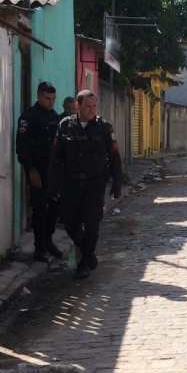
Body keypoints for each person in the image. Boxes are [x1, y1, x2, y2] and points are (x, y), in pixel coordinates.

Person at [49, 90, 123, 280]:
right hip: (71, 183)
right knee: (70, 223)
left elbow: (114, 156)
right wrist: (53, 184)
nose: (92, 110)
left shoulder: (104, 127)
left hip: (95, 182)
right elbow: (56, 157)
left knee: (92, 223)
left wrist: (116, 184)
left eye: (94, 106)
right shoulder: (66, 126)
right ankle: (88, 253)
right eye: (88, 106)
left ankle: (83, 264)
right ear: (78, 106)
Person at [16, 81, 63, 262]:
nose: (51, 102)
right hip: (38, 170)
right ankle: (39, 247)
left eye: (53, 99)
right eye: (47, 98)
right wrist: (31, 169)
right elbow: (22, 147)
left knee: (57, 206)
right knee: (40, 208)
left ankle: (48, 240)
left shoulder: (55, 118)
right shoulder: (29, 117)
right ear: (39, 96)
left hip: (54, 172)